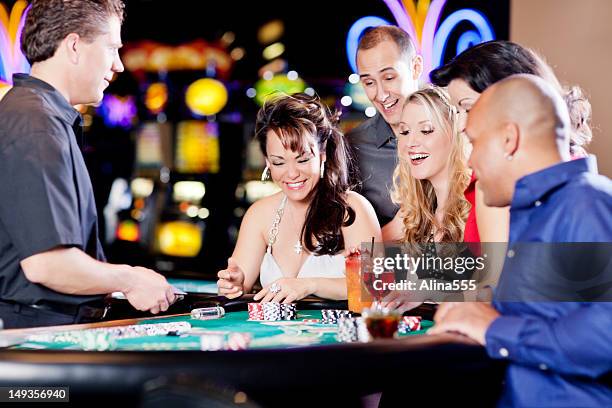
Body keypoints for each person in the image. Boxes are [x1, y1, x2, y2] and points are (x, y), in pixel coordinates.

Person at [429, 74, 612, 407]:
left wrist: (494, 327)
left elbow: (607, 334)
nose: (470, 160)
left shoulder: (586, 203)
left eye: (475, 141)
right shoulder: (538, 213)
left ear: (508, 139)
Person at [0, 0, 176, 329]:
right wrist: (132, 279)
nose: (119, 66)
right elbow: (47, 266)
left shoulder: (36, 113)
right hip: (36, 337)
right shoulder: (37, 123)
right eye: (112, 48)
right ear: (75, 46)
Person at [217, 93, 381, 303]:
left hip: (340, 335)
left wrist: (309, 285)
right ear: (267, 161)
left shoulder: (353, 208)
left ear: (322, 155)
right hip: (278, 335)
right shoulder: (259, 214)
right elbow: (237, 288)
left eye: (302, 159)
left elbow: (374, 287)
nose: (291, 173)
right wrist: (233, 285)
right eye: (278, 162)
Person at [430, 40, 593, 242]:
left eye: (469, 108)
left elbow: (497, 272)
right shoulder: (569, 162)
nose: (462, 124)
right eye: (458, 111)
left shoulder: (500, 182)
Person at [347, 25, 422, 230]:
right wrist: (397, 230)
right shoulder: (353, 148)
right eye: (369, 82)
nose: (381, 95)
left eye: (389, 78)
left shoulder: (455, 132)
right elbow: (346, 247)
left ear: (416, 67)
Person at [384, 86, 470, 244]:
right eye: (404, 132)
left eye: (426, 130)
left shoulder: (477, 205)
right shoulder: (412, 215)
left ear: (455, 134)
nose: (410, 143)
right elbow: (366, 255)